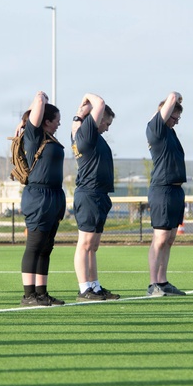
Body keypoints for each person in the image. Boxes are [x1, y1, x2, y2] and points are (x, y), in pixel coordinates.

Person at [17, 91, 66, 306]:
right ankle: (28, 296)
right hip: (38, 195)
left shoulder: (50, 138)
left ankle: (41, 293)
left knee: (47, 246)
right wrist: (41, 97)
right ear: (45, 121)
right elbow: (37, 103)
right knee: (34, 245)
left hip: (54, 195)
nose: (58, 125)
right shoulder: (34, 135)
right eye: (56, 121)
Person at [71, 93, 120, 301]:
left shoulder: (84, 132)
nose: (107, 128)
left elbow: (76, 123)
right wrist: (86, 99)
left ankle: (95, 286)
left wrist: (79, 113)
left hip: (98, 193)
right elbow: (99, 103)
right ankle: (85, 288)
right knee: (85, 243)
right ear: (96, 119)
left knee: (93, 244)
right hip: (89, 193)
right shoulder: (87, 133)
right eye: (106, 123)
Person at [146, 91, 187, 297]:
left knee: (170, 238)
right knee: (160, 238)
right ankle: (153, 284)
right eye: (174, 117)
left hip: (175, 191)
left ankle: (162, 281)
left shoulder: (170, 131)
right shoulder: (156, 128)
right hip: (162, 189)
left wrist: (176, 108)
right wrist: (177, 97)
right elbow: (171, 97)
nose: (176, 122)